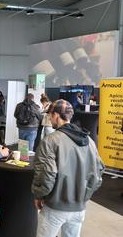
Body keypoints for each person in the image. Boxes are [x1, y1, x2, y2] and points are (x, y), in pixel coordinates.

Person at [32, 99, 104, 237]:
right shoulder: (89, 141)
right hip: (79, 207)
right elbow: (98, 171)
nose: (48, 118)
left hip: (55, 207)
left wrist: (39, 195)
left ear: (56, 115)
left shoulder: (50, 141)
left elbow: (46, 174)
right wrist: (84, 196)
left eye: (50, 115)